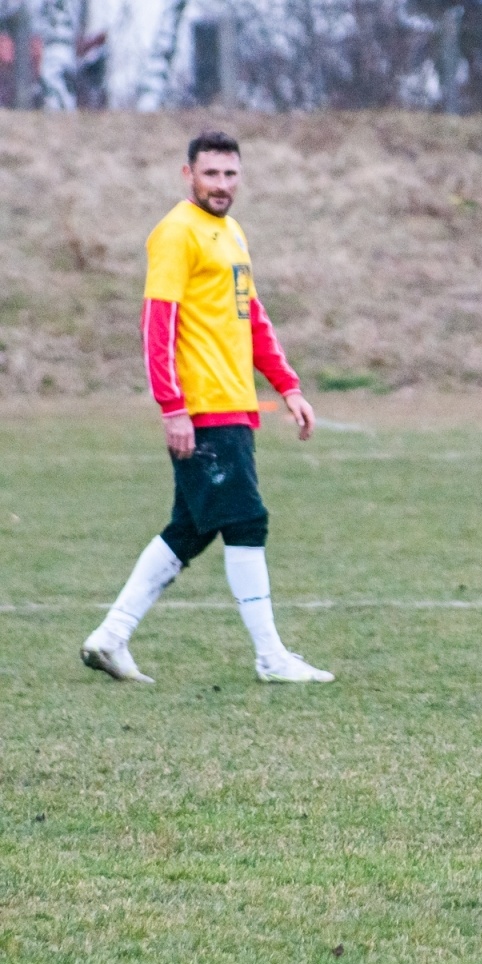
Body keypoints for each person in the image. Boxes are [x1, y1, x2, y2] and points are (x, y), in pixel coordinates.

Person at [81, 131, 333, 685]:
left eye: (230, 175)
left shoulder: (231, 231)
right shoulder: (175, 234)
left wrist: (288, 387)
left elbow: (252, 317)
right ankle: (271, 657)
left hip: (236, 404)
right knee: (246, 520)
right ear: (187, 174)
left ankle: (111, 636)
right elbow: (157, 326)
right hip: (203, 408)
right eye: (211, 174)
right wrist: (173, 407)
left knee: (191, 528)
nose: (221, 185)